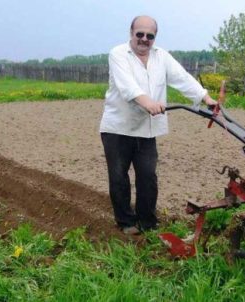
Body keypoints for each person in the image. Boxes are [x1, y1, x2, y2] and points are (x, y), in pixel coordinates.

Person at [99, 15, 217, 235]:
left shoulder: (161, 56)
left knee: (147, 176)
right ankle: (125, 221)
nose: (144, 39)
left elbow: (182, 78)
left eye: (150, 36)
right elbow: (128, 87)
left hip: (147, 129)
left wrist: (206, 98)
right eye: (140, 34)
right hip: (117, 128)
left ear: (155, 37)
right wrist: (148, 103)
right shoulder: (118, 54)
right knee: (118, 176)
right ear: (131, 33)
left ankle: (147, 222)